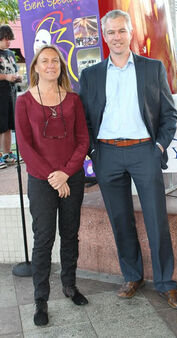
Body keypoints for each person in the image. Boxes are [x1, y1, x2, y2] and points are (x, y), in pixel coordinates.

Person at [79, 10, 177, 310]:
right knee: (120, 220)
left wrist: (159, 148)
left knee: (156, 220)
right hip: (107, 154)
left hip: (145, 153)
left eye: (121, 31)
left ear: (130, 33)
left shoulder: (153, 69)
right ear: (104, 36)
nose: (116, 37)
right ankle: (132, 276)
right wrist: (92, 151)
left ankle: (166, 283)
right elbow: (84, 119)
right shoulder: (90, 75)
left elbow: (169, 114)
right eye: (110, 32)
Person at [15, 44, 89, 326]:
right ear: (35, 67)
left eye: (55, 61)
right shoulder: (23, 101)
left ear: (61, 66)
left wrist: (66, 173)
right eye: (44, 61)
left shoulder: (73, 100)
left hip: (72, 178)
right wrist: (53, 177)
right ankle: (40, 299)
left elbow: (83, 140)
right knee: (43, 239)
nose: (50, 65)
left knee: (70, 235)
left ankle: (70, 286)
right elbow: (25, 146)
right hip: (41, 180)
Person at [0, 24, 22, 169]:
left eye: (10, 39)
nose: (9, 42)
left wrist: (16, 77)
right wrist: (6, 77)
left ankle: (7, 154)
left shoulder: (10, 54)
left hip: (11, 92)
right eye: (6, 39)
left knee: (8, 126)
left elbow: (14, 69)